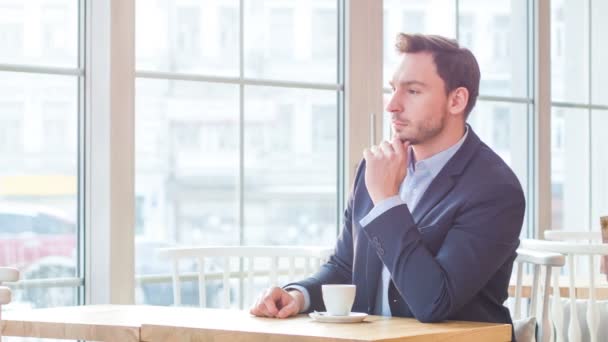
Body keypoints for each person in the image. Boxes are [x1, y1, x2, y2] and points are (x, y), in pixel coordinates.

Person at [250, 33, 525, 335]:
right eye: (393, 89)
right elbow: (345, 267)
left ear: (456, 100)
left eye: (413, 91)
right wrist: (297, 296)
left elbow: (434, 302)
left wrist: (386, 201)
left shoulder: (495, 189)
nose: (392, 105)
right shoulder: (375, 168)